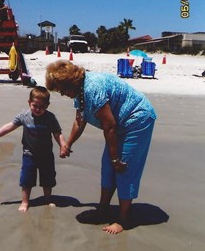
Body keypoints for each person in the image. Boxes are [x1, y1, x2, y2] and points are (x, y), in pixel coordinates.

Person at [46, 59, 156, 234]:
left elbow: (110, 126)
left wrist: (115, 158)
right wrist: (68, 144)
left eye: (61, 89)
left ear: (70, 83)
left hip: (137, 119)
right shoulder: (79, 91)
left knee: (122, 169)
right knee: (108, 168)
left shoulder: (92, 88)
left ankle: (123, 219)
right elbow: (79, 119)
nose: (62, 94)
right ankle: (103, 210)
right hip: (119, 124)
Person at [0, 86, 67, 213]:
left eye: (42, 107)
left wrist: (63, 146)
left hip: (46, 155)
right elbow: (9, 126)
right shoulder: (24, 116)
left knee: (48, 179)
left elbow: (57, 133)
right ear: (29, 103)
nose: (38, 109)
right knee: (27, 179)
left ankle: (47, 199)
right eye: (35, 106)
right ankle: (25, 201)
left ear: (47, 105)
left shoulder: (50, 118)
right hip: (29, 154)